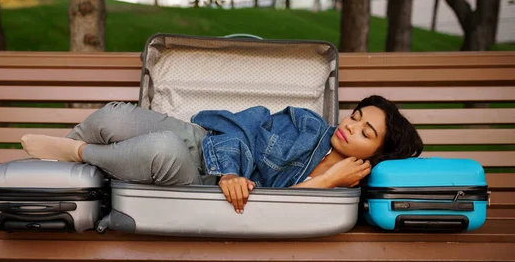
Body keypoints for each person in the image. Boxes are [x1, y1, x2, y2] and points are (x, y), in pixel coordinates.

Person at [21, 95, 423, 214]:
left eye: (365, 131)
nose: (349, 126)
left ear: (376, 154)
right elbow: (236, 123)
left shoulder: (345, 190)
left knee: (160, 150)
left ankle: (77, 154)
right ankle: (57, 179)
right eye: (354, 116)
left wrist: (325, 182)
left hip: (194, 182)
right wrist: (230, 172)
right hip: (203, 141)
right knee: (113, 116)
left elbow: (281, 215)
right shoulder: (306, 123)